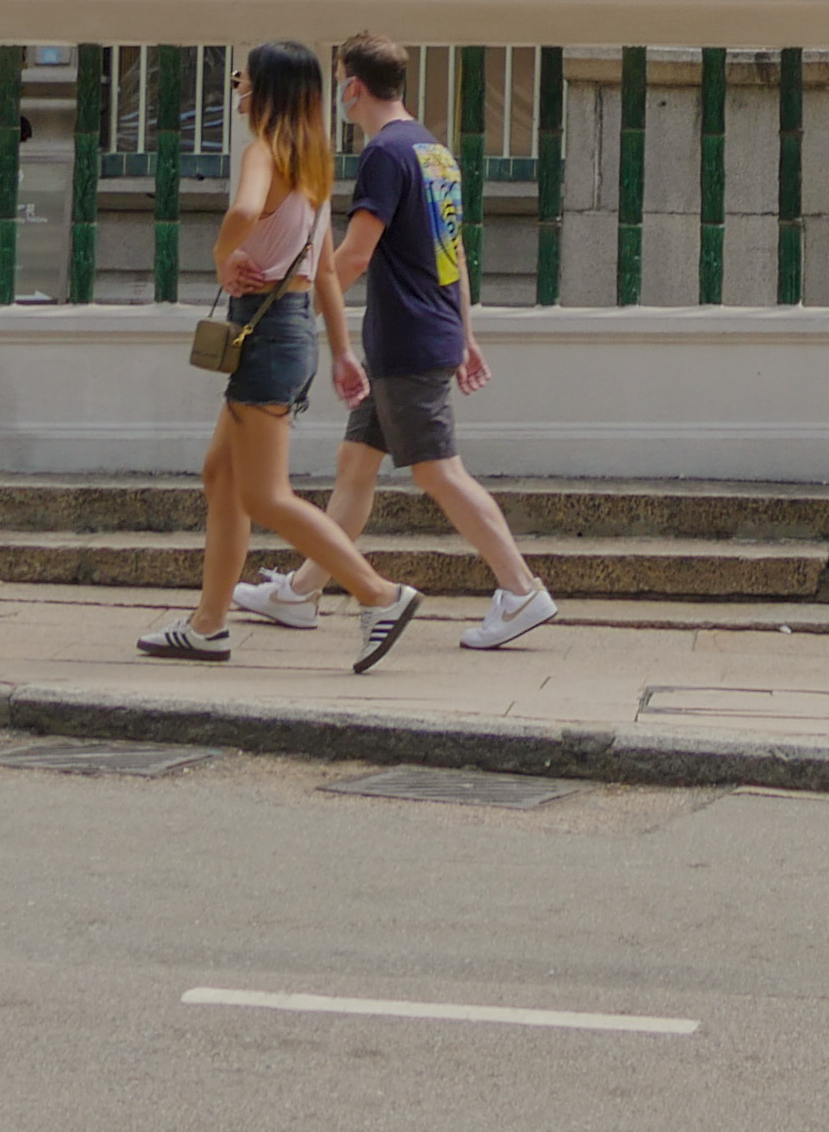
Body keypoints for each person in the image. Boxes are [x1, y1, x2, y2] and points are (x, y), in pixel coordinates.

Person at [232, 36, 558, 654]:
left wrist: (294, 298)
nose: (337, 95)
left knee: (439, 472)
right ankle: (302, 592)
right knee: (355, 467)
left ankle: (521, 590)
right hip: (418, 331)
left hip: (405, 337)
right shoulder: (435, 153)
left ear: (353, 87)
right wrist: (464, 332)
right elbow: (453, 254)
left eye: (339, 82)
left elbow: (354, 253)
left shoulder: (384, 153)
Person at [136, 39, 429, 668]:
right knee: (222, 477)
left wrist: (222, 257)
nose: (238, 90)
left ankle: (379, 594)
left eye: (245, 81)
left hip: (266, 335)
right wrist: (343, 351)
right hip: (290, 330)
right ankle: (208, 623)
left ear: (265, 92)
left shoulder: (264, 153)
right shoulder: (316, 167)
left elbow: (244, 210)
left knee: (266, 496)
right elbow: (324, 271)